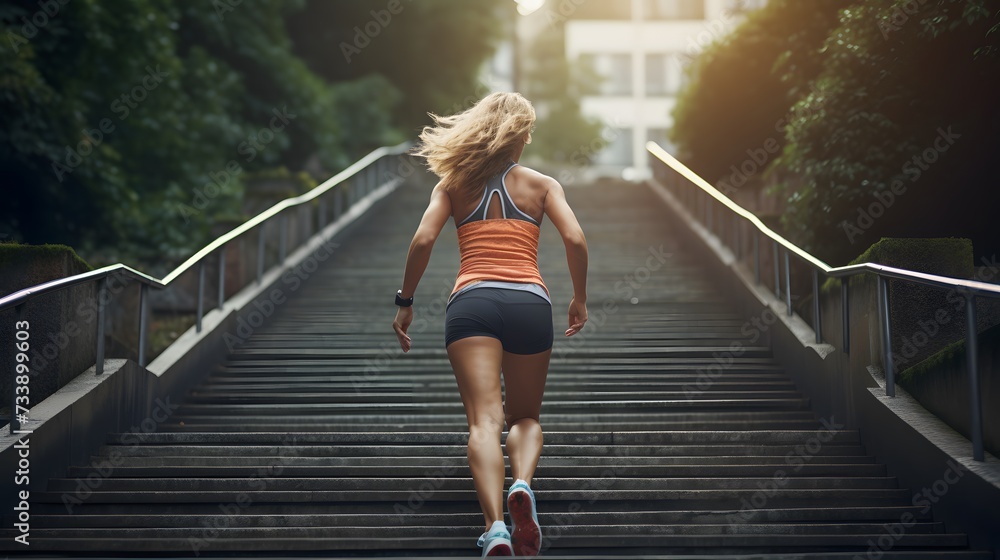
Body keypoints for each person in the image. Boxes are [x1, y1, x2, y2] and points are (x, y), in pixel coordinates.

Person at [391, 92, 589, 557]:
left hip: (472, 303)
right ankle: (521, 483)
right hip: (529, 302)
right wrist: (578, 298)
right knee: (525, 417)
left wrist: (405, 301)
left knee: (484, 421)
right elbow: (575, 238)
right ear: (520, 136)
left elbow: (422, 239)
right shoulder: (542, 185)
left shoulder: (453, 185)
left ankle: (496, 528)